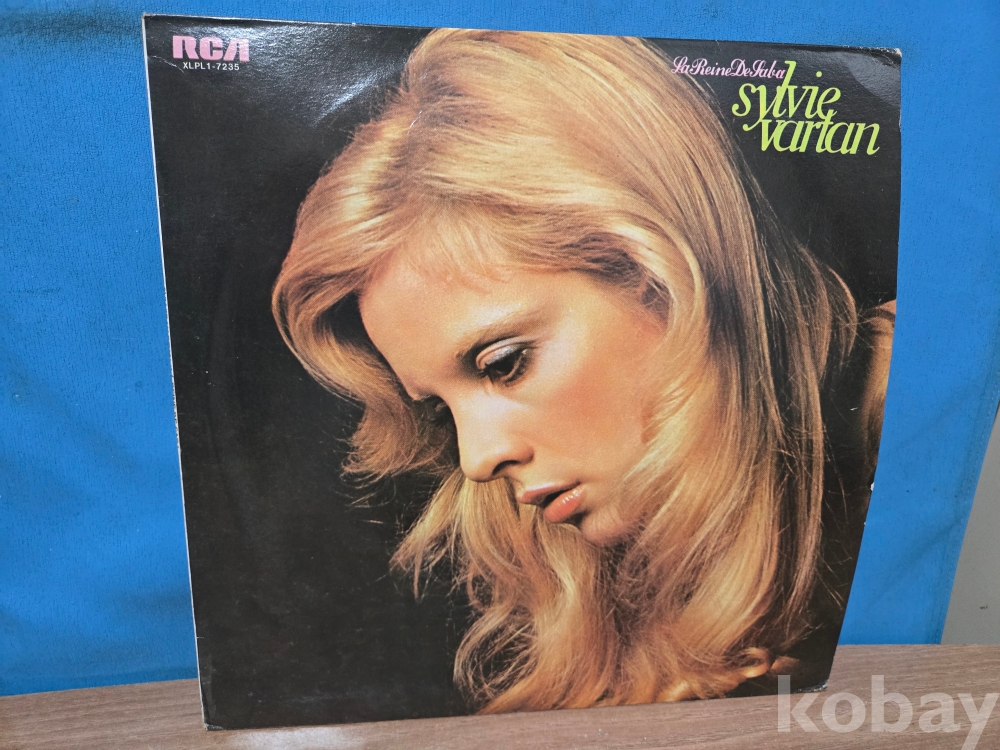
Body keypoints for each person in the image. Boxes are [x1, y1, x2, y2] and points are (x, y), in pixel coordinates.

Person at [271, 28, 894, 712]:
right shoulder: (581, 583)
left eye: (505, 364)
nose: (477, 460)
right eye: (440, 410)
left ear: (660, 272)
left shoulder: (909, 422)